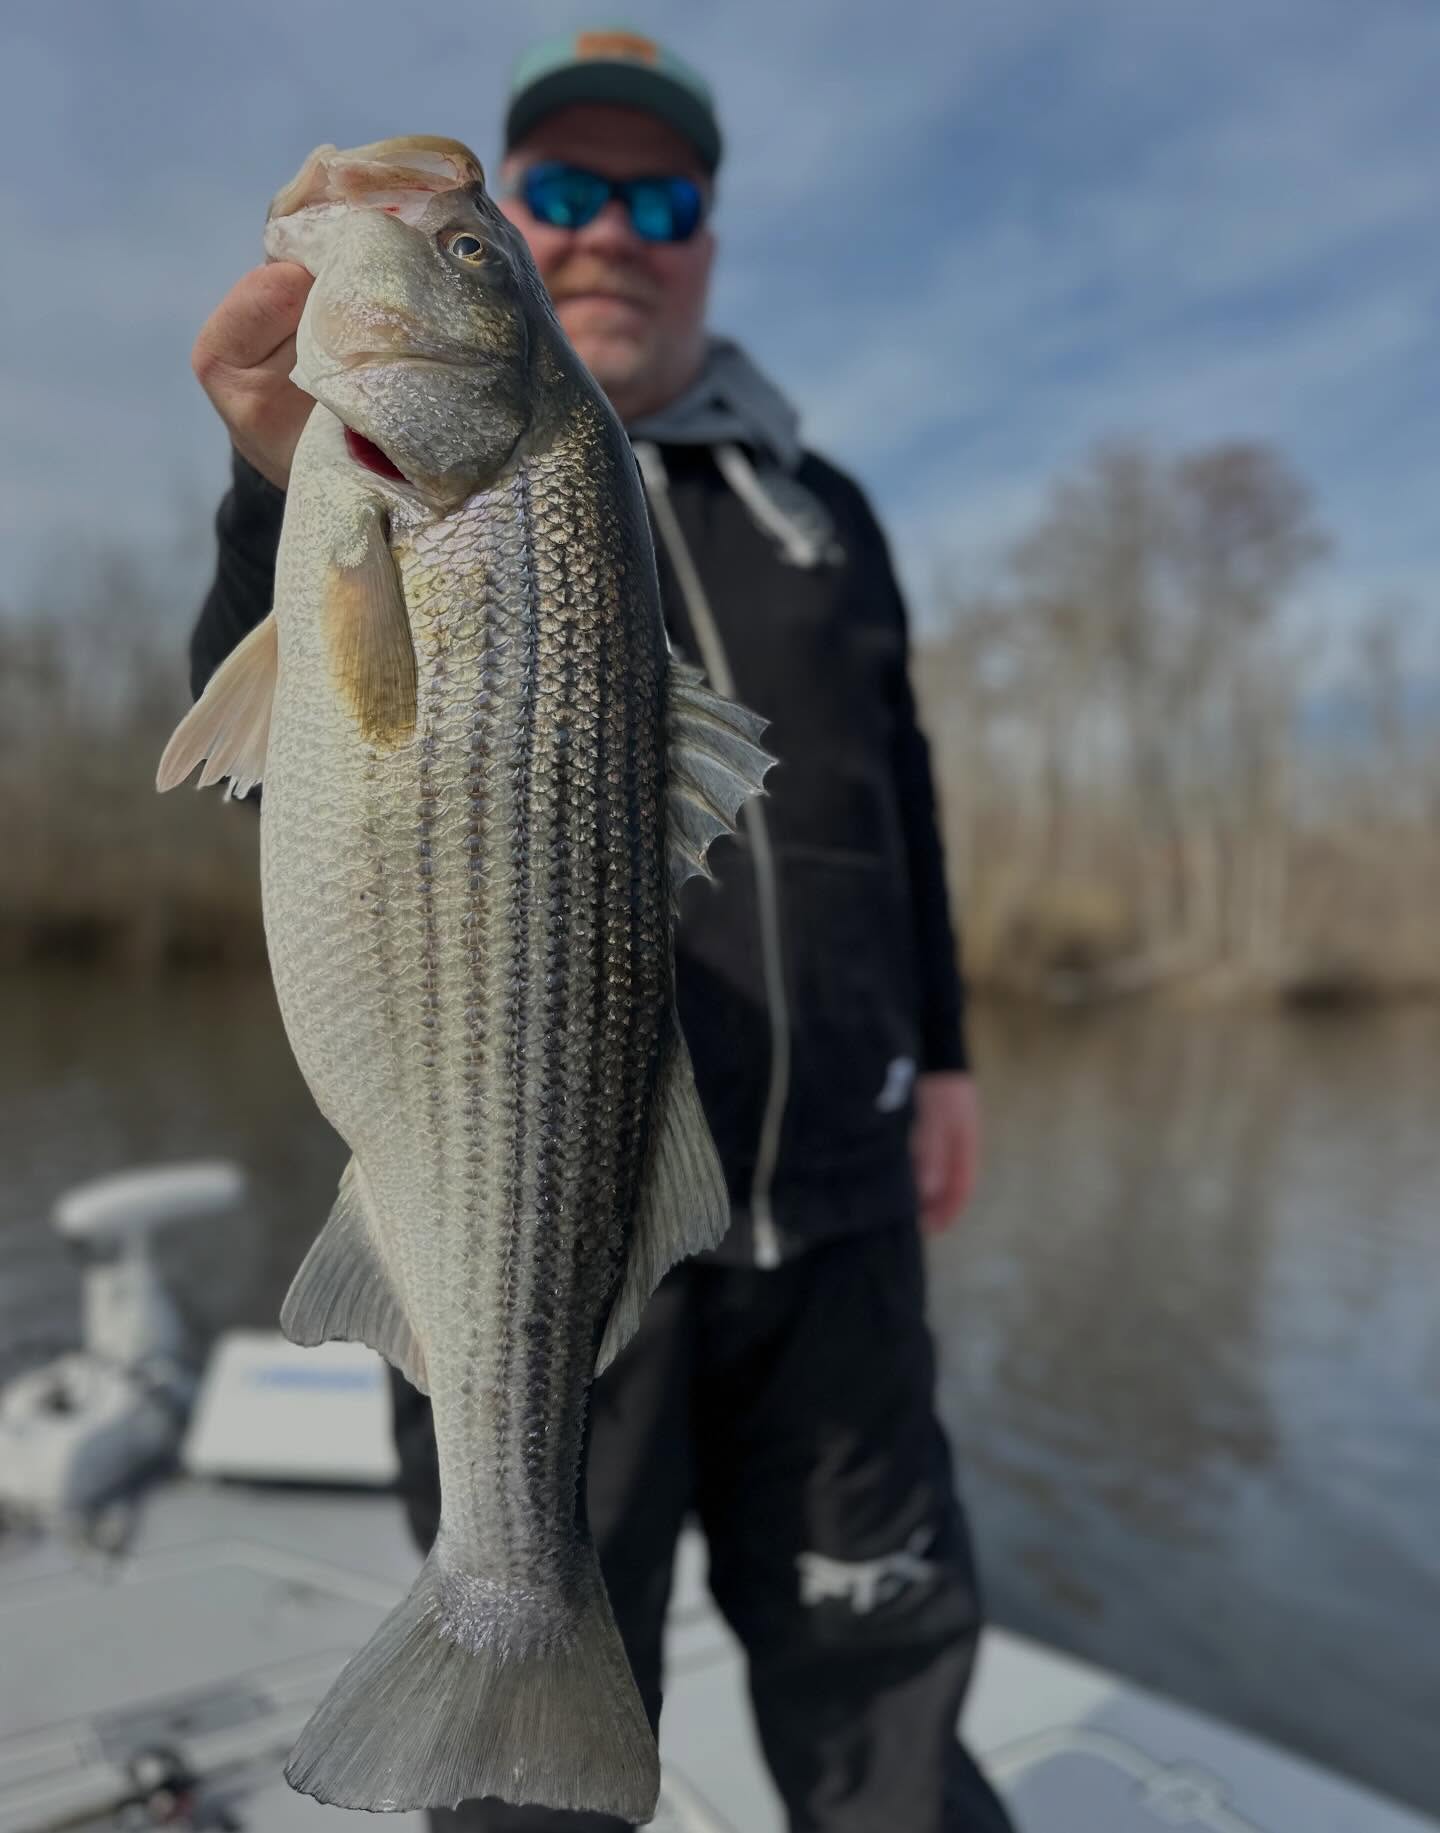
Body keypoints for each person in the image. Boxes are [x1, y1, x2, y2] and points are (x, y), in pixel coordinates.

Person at [188, 29, 1013, 1833]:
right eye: (549, 200)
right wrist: (277, 489)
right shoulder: (393, 482)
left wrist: (943, 1052)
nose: (606, 233)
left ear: (707, 231)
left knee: (888, 1713)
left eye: (660, 197)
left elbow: (906, 799)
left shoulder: (825, 514)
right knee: (528, 1763)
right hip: (519, 1188)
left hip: (844, 1225)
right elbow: (268, 743)